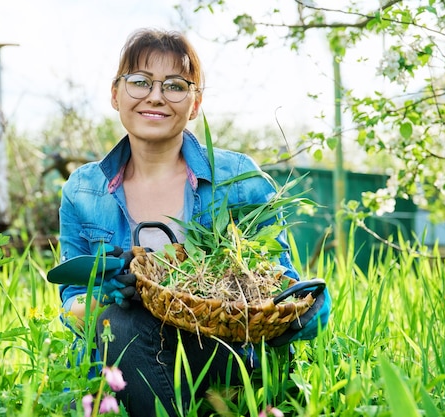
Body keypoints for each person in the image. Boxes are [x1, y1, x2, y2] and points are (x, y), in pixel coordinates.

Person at [58, 28, 331, 417]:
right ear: (115, 94)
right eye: (139, 82)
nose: (155, 96)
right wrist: (106, 294)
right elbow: (72, 303)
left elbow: (281, 280)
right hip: (119, 360)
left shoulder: (238, 180)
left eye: (174, 85)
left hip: (222, 355)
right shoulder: (83, 190)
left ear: (195, 103)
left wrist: (307, 307)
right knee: (121, 320)